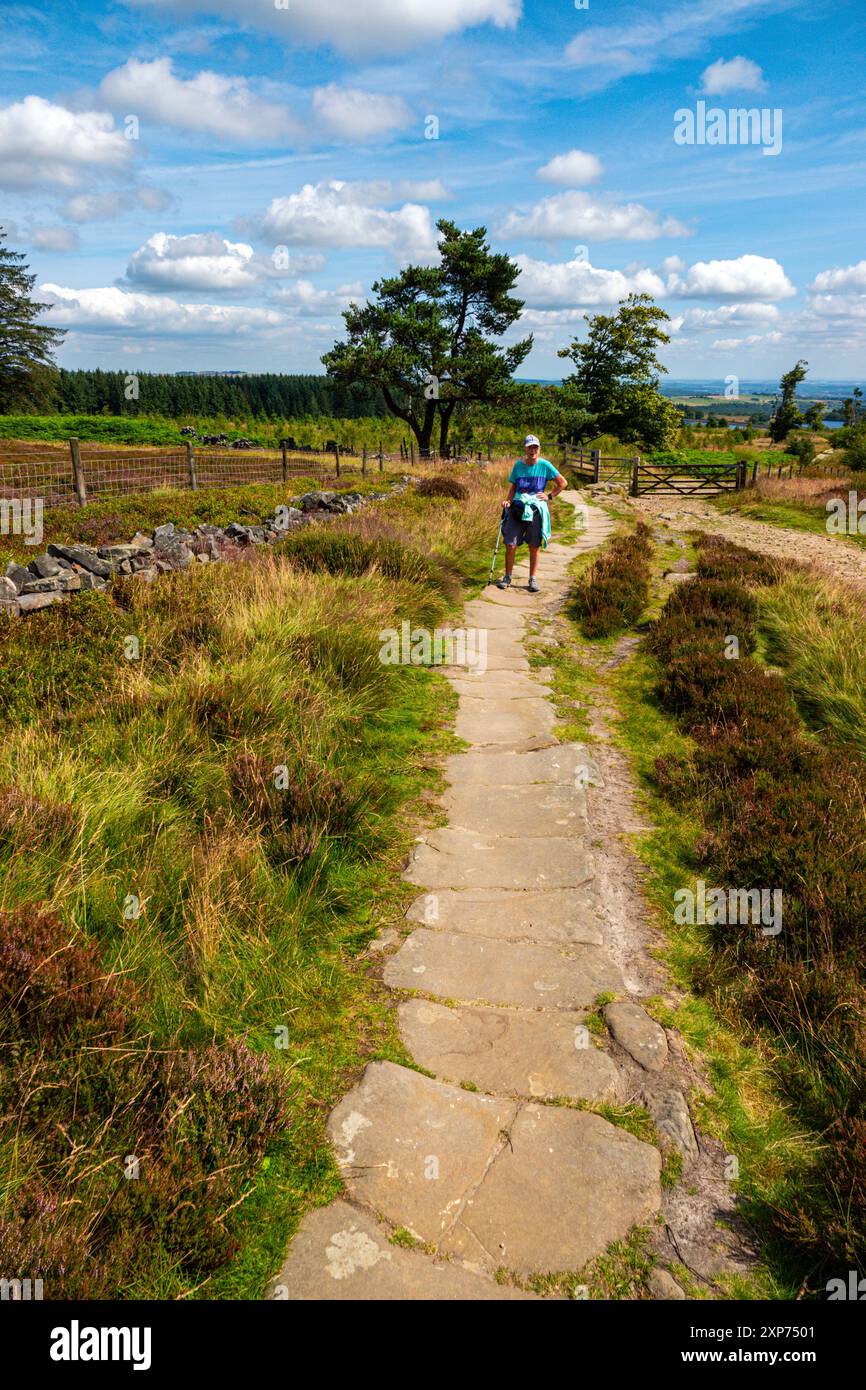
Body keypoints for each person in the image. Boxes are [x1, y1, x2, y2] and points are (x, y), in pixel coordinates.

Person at [496, 435, 567, 592]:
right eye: (530, 447)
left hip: (536, 510)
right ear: (525, 448)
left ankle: (532, 579)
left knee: (534, 546)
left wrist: (549, 496)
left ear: (539, 449)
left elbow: (563, 483)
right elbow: (514, 487)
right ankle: (507, 577)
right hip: (517, 508)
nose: (532, 450)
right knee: (511, 544)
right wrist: (508, 501)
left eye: (535, 447)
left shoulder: (545, 465)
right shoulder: (518, 466)